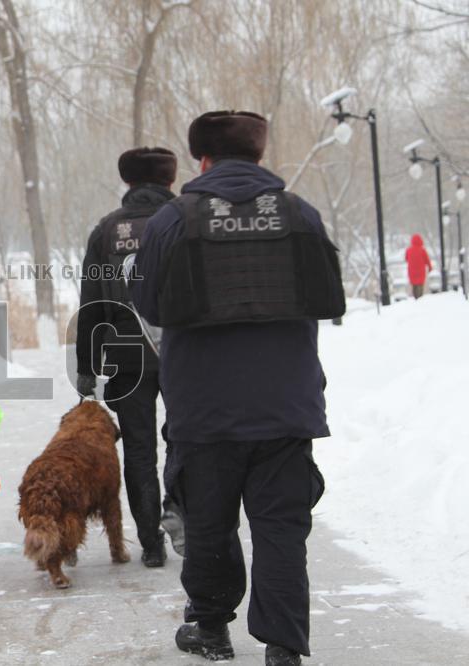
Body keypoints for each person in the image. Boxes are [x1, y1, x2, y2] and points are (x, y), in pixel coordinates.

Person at [132, 111, 343, 666]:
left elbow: (149, 304)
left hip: (205, 410)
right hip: (285, 407)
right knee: (280, 530)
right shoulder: (301, 216)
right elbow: (328, 298)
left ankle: (211, 628)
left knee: (208, 523)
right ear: (257, 155)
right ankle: (283, 646)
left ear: (201, 160)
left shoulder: (174, 220)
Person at [75, 147, 184, 568]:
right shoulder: (184, 220)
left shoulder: (107, 232)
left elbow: (91, 304)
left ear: (128, 182)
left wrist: (87, 367)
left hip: (126, 357)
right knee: (186, 439)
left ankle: (151, 542)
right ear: (170, 180)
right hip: (182, 355)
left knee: (139, 451)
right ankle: (179, 508)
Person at [405, 233, 432, 299]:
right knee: (420, 285)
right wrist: (430, 267)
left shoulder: (409, 250)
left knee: (414, 286)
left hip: (412, 272)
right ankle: (420, 298)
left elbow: (406, 259)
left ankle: (416, 298)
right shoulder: (422, 250)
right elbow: (427, 260)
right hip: (421, 271)